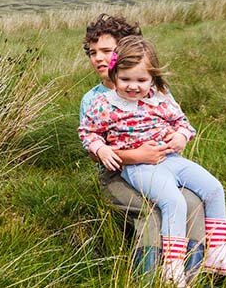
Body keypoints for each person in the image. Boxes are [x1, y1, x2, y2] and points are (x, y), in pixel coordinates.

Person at [80, 35, 226, 287]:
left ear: (152, 78)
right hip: (137, 167)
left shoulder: (159, 97)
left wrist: (181, 135)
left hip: (170, 158)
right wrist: (102, 148)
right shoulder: (104, 104)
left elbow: (182, 123)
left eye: (141, 80)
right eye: (125, 80)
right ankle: (171, 267)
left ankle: (217, 254)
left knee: (213, 189)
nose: (133, 86)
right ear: (115, 77)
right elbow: (88, 132)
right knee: (172, 201)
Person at [80, 14, 207, 276]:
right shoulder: (94, 100)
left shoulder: (153, 91)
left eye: (107, 51)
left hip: (162, 169)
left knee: (193, 203)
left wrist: (178, 138)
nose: (99, 58)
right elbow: (94, 150)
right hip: (117, 175)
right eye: (93, 52)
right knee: (153, 211)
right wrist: (135, 155)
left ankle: (191, 276)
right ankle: (148, 278)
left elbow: (178, 124)